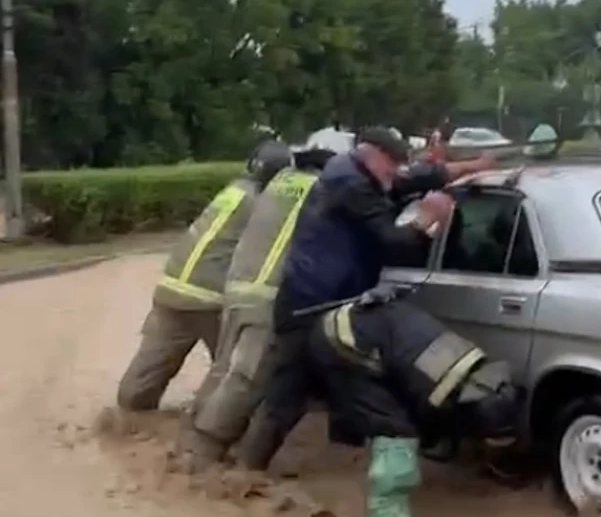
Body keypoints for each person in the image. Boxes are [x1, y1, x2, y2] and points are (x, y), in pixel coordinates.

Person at [238, 126, 500, 473]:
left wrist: (470, 166)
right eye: (392, 162)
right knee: (289, 391)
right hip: (310, 305)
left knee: (339, 386)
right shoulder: (351, 184)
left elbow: (412, 178)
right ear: (369, 153)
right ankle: (243, 472)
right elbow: (393, 242)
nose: (398, 169)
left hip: (337, 305)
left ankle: (337, 456)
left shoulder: (364, 174)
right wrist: (427, 219)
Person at [309, 284, 522, 517]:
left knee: (404, 422)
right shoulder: (435, 383)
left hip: (375, 334)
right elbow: (424, 420)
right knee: (396, 433)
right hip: (342, 341)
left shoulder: (471, 366)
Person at [181, 147, 335, 470]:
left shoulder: (277, 184)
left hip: (237, 289)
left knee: (223, 368)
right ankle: (204, 452)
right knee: (249, 376)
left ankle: (189, 437)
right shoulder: (317, 190)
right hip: (268, 295)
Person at [116, 140, 293, 412]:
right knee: (233, 373)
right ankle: (202, 426)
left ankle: (126, 418)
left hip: (171, 290)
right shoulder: (262, 203)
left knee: (144, 376)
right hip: (211, 299)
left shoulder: (233, 191)